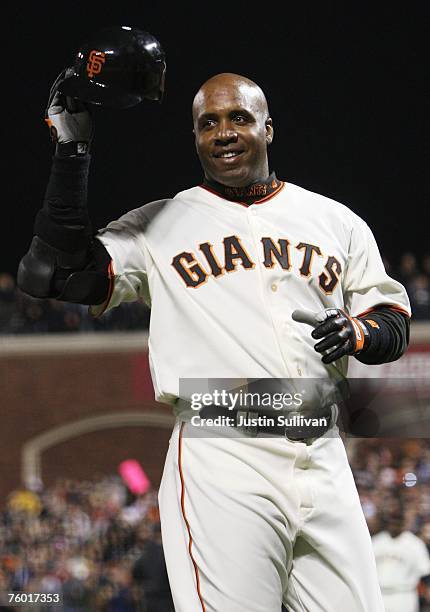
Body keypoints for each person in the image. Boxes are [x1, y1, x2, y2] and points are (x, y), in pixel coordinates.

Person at [18, 57, 411, 611]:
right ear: (196, 136)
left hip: (322, 452)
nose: (224, 132)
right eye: (208, 123)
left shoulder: (335, 221)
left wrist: (359, 332)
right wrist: (71, 150)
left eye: (239, 118)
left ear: (267, 128)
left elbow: (391, 319)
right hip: (223, 455)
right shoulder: (160, 223)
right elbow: (52, 273)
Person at [372, 512, 430, 612]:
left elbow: (425, 572)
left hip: (403, 595)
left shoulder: (415, 544)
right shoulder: (376, 542)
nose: (395, 525)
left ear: (404, 523)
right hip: (379, 594)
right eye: (392, 522)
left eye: (398, 522)